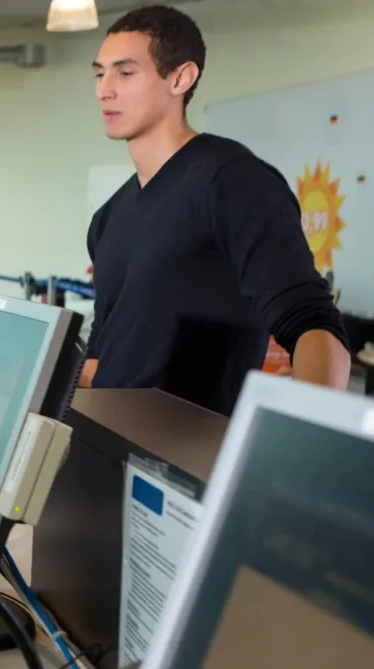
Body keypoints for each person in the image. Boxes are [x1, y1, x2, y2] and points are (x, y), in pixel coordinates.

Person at [83, 5, 350, 415]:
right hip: (105, 446)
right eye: (100, 73)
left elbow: (314, 328)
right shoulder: (108, 217)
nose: (104, 89)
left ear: (181, 78)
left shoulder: (231, 181)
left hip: (189, 459)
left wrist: (300, 449)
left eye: (125, 72)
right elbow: (109, 364)